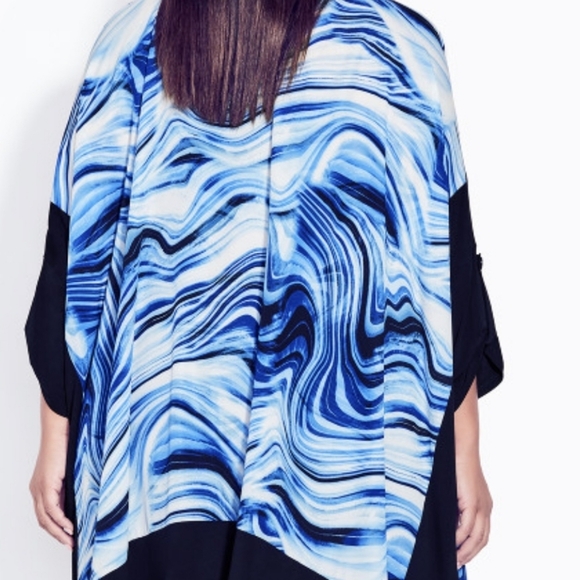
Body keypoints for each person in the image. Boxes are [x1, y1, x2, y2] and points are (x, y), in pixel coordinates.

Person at [26, 0, 503, 579]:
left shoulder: (128, 43)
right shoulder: (398, 47)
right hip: (342, 480)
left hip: (164, 469)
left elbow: (77, 260)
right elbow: (443, 271)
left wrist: (56, 434)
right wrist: (465, 450)